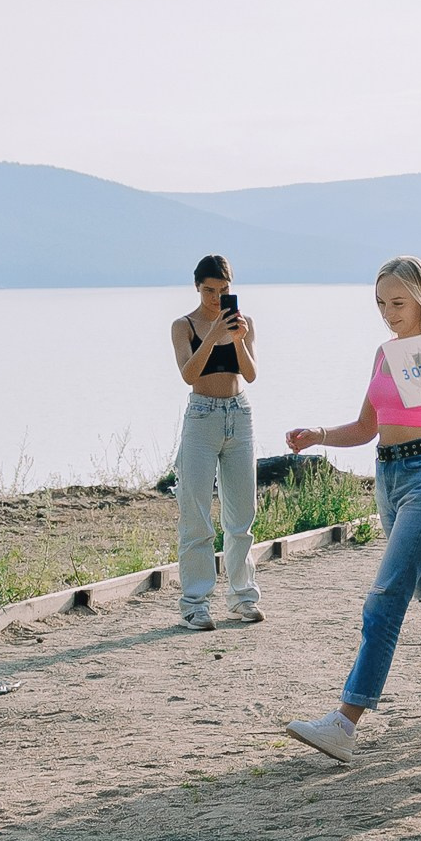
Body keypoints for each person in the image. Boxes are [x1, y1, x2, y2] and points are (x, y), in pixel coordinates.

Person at [279, 257, 421, 763]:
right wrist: (318, 435)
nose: (388, 312)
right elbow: (367, 426)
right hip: (388, 480)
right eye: (381, 303)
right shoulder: (385, 354)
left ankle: (345, 721)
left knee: (385, 596)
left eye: (398, 302)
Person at [170, 255, 261, 631]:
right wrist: (211, 334)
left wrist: (238, 339)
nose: (216, 297)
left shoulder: (245, 324)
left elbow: (251, 374)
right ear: (197, 287)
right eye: (209, 290)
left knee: (242, 515)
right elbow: (188, 374)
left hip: (239, 415)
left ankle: (242, 597)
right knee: (196, 516)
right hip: (202, 417)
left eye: (223, 290)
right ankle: (195, 604)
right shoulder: (183, 325)